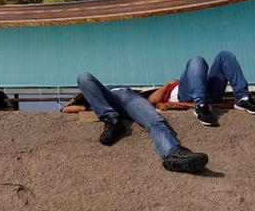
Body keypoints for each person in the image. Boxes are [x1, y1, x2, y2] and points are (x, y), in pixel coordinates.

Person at [76, 72, 209, 173]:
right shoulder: (95, 98)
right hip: (109, 102)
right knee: (83, 76)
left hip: (131, 97)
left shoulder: (110, 93)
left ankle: (173, 153)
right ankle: (112, 121)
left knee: (154, 120)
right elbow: (67, 108)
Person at [147, 51, 255, 126]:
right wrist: (167, 84)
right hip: (187, 95)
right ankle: (201, 106)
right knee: (197, 60)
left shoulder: (191, 78)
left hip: (209, 91)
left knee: (224, 56)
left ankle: (243, 98)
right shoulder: (170, 88)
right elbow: (152, 101)